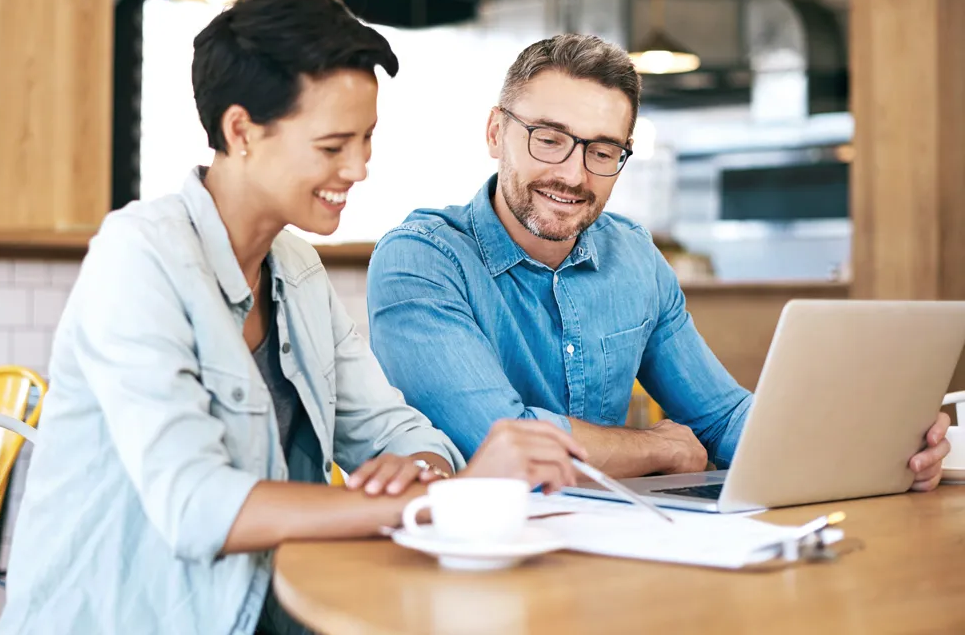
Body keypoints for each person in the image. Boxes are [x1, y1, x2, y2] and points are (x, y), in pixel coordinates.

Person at [0, 0, 587, 635]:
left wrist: (421, 469)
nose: (359, 168)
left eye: (367, 140)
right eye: (334, 147)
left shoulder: (296, 267)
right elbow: (198, 507)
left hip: (277, 610)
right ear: (241, 130)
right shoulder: (138, 259)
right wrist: (441, 500)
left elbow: (400, 432)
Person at [366, 33, 953, 488]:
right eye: (549, 138)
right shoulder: (421, 260)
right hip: (467, 568)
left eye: (602, 151)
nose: (574, 174)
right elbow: (506, 440)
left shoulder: (634, 258)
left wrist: (878, 451)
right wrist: (657, 448)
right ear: (496, 132)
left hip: (620, 553)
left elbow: (722, 418)